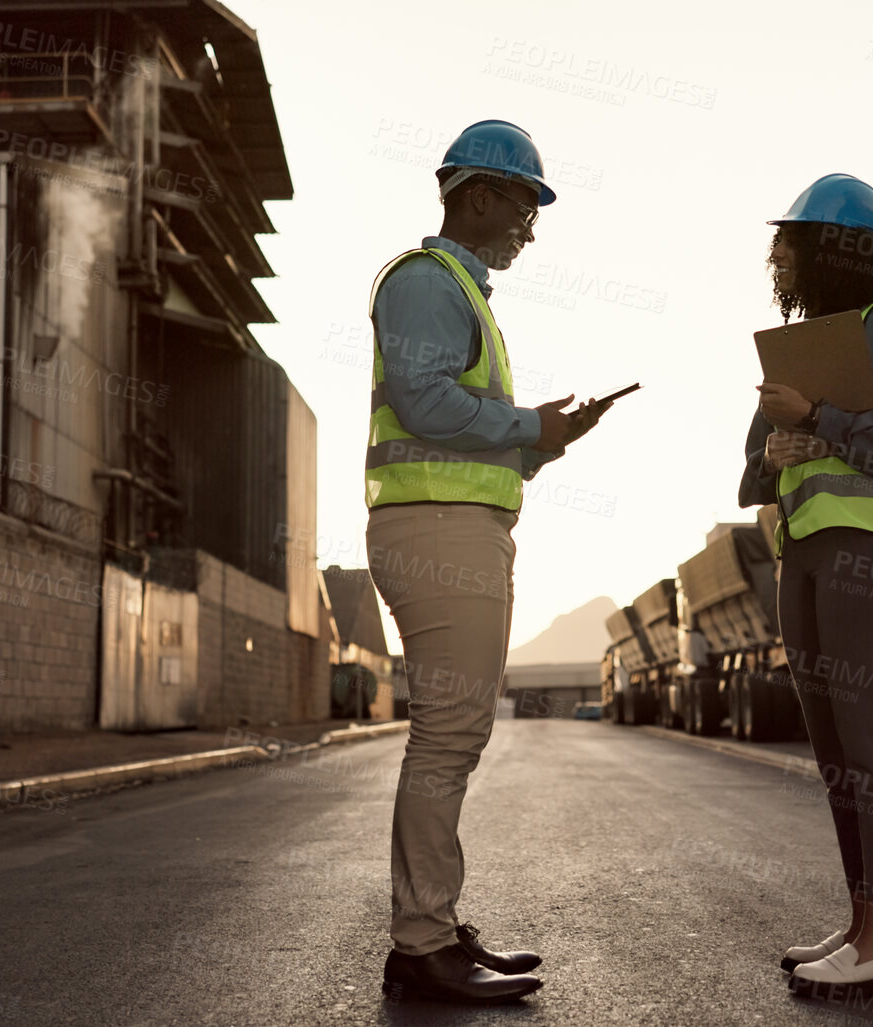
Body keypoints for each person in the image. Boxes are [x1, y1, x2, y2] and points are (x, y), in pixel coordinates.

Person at [365, 119, 609, 1004]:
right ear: (476, 194)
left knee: (452, 731)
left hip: (455, 523)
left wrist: (548, 437)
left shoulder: (461, 294)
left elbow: (465, 433)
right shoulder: (428, 283)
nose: (530, 224)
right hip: (437, 531)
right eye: (522, 202)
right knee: (447, 733)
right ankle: (421, 942)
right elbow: (425, 404)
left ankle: (429, 929)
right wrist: (522, 425)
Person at [738, 174, 873, 1000]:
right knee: (835, 752)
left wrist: (815, 418)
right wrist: (772, 453)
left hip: (870, 551)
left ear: (832, 250)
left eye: (790, 239)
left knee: (869, 740)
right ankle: (861, 924)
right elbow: (752, 473)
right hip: (806, 553)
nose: (775, 253)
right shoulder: (797, 346)